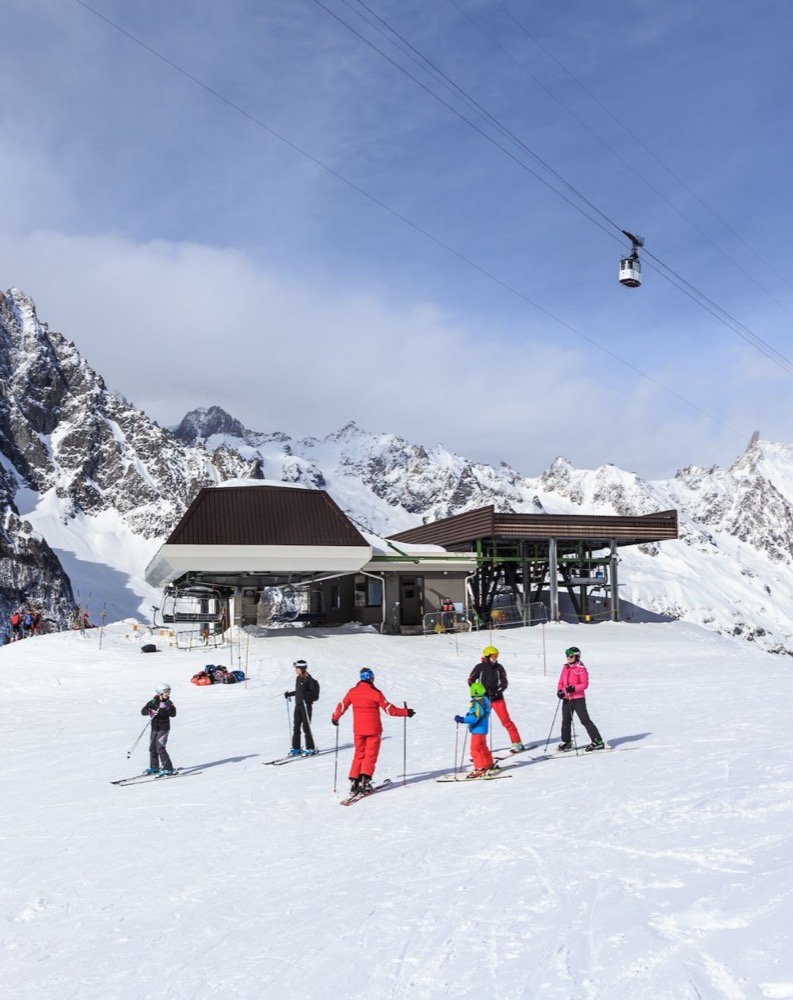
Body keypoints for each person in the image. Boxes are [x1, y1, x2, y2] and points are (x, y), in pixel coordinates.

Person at [331, 668, 415, 796]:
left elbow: (343, 705)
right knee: (370, 755)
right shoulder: (375, 693)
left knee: (359, 754)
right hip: (373, 729)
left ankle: (354, 781)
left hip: (358, 730)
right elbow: (389, 709)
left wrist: (335, 717)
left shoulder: (353, 692)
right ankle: (365, 781)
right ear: (371, 678)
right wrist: (405, 712)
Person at [467, 646, 524, 752]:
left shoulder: (499, 668)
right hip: (483, 700)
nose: (495, 658)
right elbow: (471, 680)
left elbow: (504, 683)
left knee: (505, 720)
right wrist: (479, 692)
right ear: (487, 656)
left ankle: (517, 742)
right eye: (493, 655)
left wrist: (497, 692)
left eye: (496, 656)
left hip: (497, 699)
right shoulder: (479, 667)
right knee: (481, 722)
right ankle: (480, 747)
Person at [556, 646, 605, 752]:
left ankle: (598, 741)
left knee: (585, 720)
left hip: (578, 699)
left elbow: (584, 684)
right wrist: (560, 691)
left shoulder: (581, 669)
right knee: (566, 720)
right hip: (567, 698)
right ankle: (567, 741)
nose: (568, 658)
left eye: (571, 656)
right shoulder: (565, 668)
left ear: (577, 657)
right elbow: (561, 682)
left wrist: (573, 688)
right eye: (567, 656)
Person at [454, 681, 497, 778]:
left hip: (477, 729)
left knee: (475, 749)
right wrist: (469, 715)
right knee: (483, 747)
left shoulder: (477, 702)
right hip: (483, 729)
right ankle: (489, 764)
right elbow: (481, 713)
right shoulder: (485, 700)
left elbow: (474, 718)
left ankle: (480, 769)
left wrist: (463, 719)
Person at [284, 659, 321, 756]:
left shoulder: (309, 680)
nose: (295, 670)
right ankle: (296, 748)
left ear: (302, 669)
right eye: (296, 668)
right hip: (298, 705)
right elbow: (299, 692)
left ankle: (310, 748)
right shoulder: (298, 678)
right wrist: (290, 694)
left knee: (306, 727)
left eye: (297, 668)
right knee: (296, 727)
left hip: (306, 706)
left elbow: (315, 695)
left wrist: (307, 696)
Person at [140, 683, 177, 774]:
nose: (167, 694)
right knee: (152, 747)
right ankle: (154, 766)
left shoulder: (169, 703)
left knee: (160, 747)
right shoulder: (153, 702)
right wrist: (150, 711)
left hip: (164, 727)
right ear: (160, 692)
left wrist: (167, 708)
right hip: (155, 727)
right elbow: (143, 711)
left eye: (169, 692)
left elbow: (173, 714)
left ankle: (168, 768)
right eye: (166, 692)